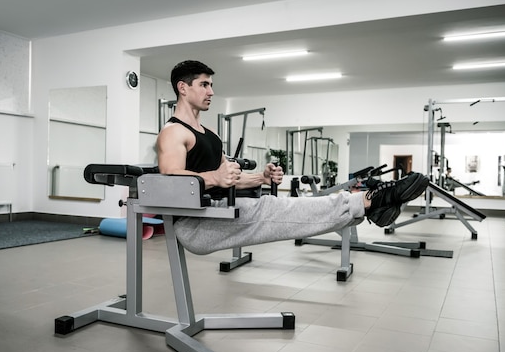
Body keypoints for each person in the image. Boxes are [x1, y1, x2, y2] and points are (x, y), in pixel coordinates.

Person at [156, 60, 428, 255]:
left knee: (277, 205)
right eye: (204, 84)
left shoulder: (209, 132)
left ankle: (369, 206)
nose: (211, 92)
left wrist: (258, 178)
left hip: (217, 211)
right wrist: (214, 176)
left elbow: (224, 181)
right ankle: (369, 201)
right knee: (274, 209)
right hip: (195, 224)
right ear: (182, 87)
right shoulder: (173, 132)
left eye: (212, 85)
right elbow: (169, 178)